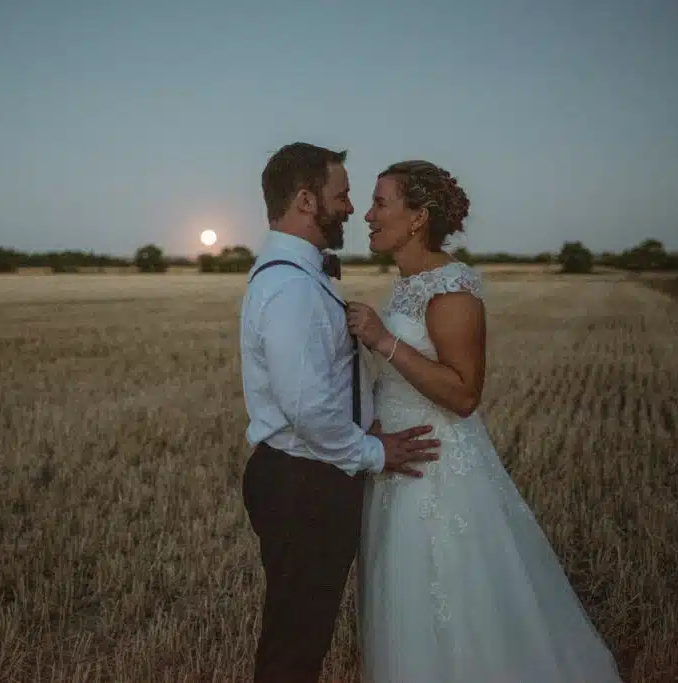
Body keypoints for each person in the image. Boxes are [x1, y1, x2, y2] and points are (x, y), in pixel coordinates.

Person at [346, 160, 623, 682]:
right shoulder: (408, 284)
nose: (368, 213)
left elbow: (464, 393)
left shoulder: (451, 288)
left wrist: (385, 341)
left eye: (381, 202)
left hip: (437, 468)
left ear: (416, 218)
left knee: (453, 597)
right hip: (396, 466)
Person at [238, 142, 441, 683]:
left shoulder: (299, 276)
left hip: (305, 474)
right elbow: (308, 409)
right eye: (342, 194)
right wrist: (374, 450)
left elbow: (321, 385)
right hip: (306, 480)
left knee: (300, 633)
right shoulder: (291, 288)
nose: (352, 207)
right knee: (295, 645)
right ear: (306, 201)